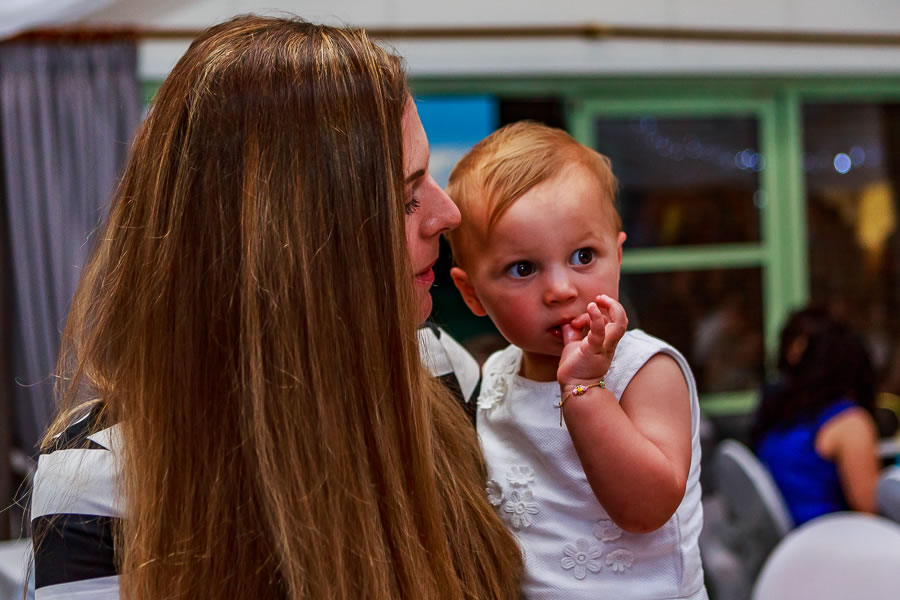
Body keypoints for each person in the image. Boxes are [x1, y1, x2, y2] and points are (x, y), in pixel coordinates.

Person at [29, 15, 523, 600]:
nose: (449, 214)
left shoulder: (436, 363)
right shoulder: (97, 480)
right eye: (406, 198)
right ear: (293, 248)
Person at [445, 121, 707, 599]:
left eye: (584, 256)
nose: (561, 289)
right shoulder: (498, 373)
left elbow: (647, 509)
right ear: (472, 292)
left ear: (617, 258)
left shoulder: (646, 370)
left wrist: (584, 388)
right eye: (523, 268)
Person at [752, 307, 881, 526]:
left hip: (787, 540)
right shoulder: (849, 422)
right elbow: (870, 510)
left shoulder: (777, 421)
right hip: (831, 538)